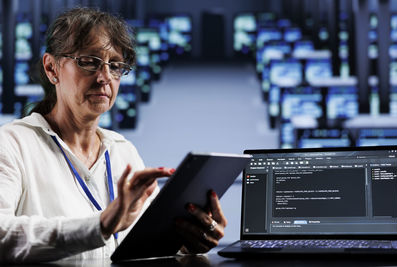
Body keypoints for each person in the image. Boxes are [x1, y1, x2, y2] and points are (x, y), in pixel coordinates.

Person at [0, 7, 227, 263]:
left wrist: (187, 242)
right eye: (89, 61)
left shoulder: (122, 151)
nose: (105, 77)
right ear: (52, 68)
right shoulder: (12, 145)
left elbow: (147, 245)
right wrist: (101, 225)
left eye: (116, 65)